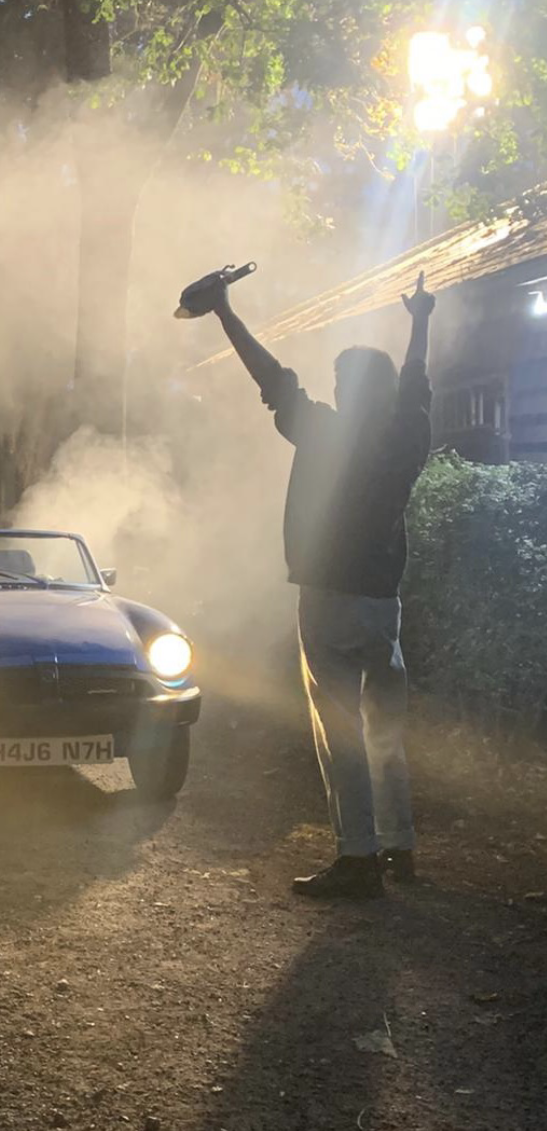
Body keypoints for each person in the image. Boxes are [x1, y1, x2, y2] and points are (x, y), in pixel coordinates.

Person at [206, 272, 435, 898]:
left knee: (340, 732)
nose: (331, 391)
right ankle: (399, 847)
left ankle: (358, 858)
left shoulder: (325, 431)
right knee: (385, 729)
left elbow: (271, 378)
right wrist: (420, 321)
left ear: (349, 392)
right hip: (383, 604)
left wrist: (225, 311)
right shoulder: (407, 435)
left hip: (329, 600)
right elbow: (418, 385)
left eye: (338, 384)